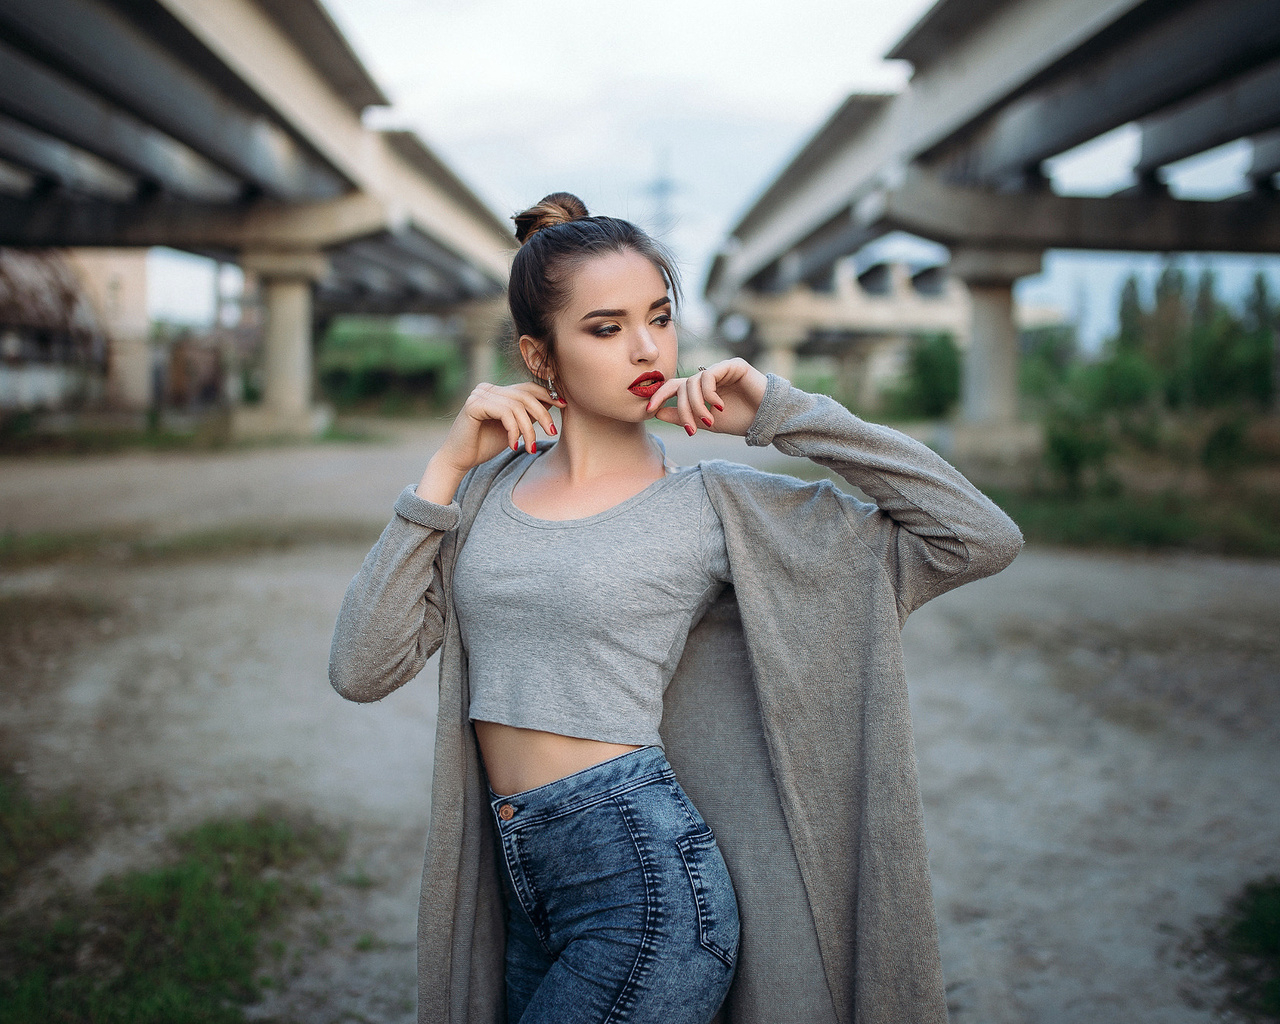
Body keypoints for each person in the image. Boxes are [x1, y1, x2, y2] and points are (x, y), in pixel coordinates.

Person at [330, 193, 1023, 1024]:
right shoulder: (482, 493)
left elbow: (977, 537)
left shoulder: (712, 504)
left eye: (659, 317)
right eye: (606, 327)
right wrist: (441, 470)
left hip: (649, 893)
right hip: (525, 883)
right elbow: (362, 668)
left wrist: (784, 414)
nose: (647, 347)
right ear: (537, 355)